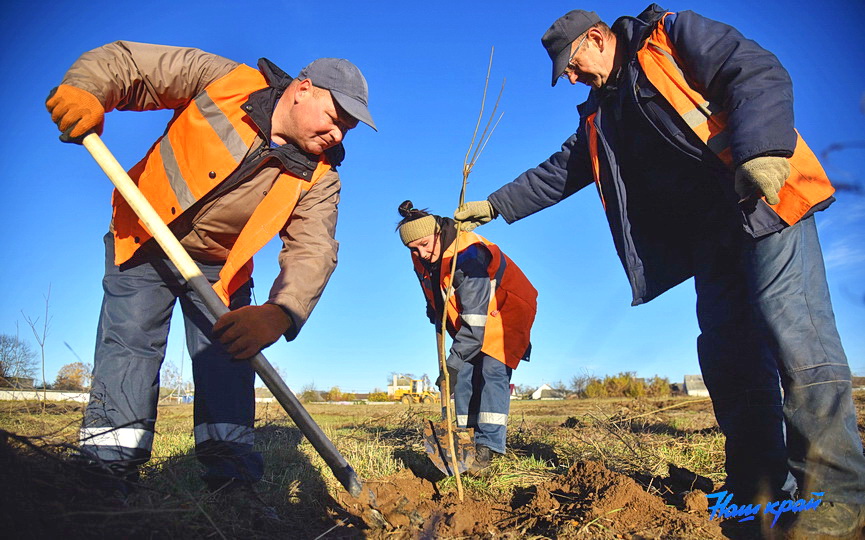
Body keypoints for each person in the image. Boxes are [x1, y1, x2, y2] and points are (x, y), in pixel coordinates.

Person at [454, 5, 864, 537]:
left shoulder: (671, 35)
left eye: (572, 64)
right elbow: (560, 172)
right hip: (711, 239)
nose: (571, 78)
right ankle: (759, 489)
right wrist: (494, 205)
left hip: (765, 204)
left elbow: (754, 68)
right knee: (729, 358)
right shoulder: (602, 114)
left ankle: (839, 498)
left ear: (597, 38)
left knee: (797, 338)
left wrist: (763, 150)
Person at [45, 41, 376, 497]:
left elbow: (313, 249)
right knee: (131, 345)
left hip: (221, 270)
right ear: (302, 89)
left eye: (348, 128)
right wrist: (87, 89)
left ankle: (234, 485)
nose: (338, 134)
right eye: (335, 117)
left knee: (229, 357)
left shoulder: (320, 178)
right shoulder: (224, 82)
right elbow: (130, 64)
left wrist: (280, 313)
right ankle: (107, 473)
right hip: (144, 235)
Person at [397, 200, 537, 472]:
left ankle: (488, 446)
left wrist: (452, 363)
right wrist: (434, 309)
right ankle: (466, 437)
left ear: (439, 232)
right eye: (414, 249)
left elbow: (475, 322)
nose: (422, 253)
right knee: (463, 374)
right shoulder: (421, 257)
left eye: (425, 244)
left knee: (491, 370)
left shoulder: (468, 256)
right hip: (472, 315)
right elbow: (432, 288)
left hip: (507, 308)